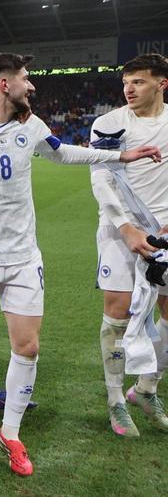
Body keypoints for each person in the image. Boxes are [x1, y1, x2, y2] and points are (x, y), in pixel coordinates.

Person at [0, 52, 159, 475]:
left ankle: (10, 433)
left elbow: (62, 153)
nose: (32, 86)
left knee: (27, 347)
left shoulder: (30, 125)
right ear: (4, 85)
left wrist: (122, 157)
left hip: (24, 257)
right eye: (26, 78)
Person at [88, 53, 168, 436]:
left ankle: (147, 388)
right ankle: (116, 401)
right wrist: (126, 228)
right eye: (126, 82)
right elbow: (101, 176)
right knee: (118, 314)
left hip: (166, 232)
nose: (129, 89)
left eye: (138, 81)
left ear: (161, 83)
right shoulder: (110, 123)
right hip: (120, 232)